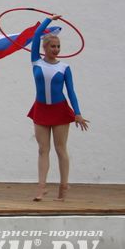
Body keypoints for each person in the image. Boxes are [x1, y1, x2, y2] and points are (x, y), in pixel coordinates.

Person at [28, 15, 89, 201]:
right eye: (52, 46)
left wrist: (77, 113)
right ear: (44, 47)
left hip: (60, 110)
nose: (56, 49)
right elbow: (37, 34)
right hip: (41, 109)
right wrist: (48, 20)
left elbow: (71, 91)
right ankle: (41, 188)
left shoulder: (64, 67)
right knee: (42, 150)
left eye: (58, 47)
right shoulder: (36, 62)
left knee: (60, 149)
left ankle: (63, 187)